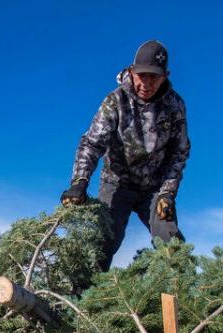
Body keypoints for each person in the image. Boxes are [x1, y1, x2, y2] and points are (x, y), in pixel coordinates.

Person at [61, 40, 190, 271]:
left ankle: (181, 300)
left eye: (154, 77)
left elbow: (179, 153)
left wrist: (168, 193)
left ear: (165, 76)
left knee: (170, 240)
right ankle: (84, 300)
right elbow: (92, 143)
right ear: (131, 71)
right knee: (103, 240)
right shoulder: (115, 101)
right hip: (117, 183)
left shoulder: (175, 106)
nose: (147, 83)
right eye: (142, 75)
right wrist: (79, 182)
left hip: (154, 188)